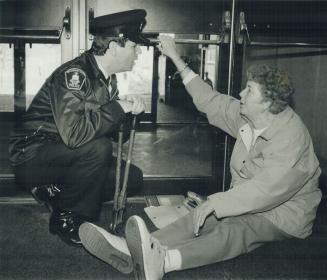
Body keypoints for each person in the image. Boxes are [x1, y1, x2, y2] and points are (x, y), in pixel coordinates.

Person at [78, 35, 322, 279]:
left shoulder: (291, 138)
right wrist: (174, 57)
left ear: (267, 103)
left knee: (234, 229)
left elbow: (265, 191)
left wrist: (218, 202)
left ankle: (164, 263)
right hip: (247, 200)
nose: (241, 93)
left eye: (249, 90)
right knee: (203, 215)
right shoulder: (248, 116)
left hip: (283, 214)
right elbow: (210, 101)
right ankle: (134, 248)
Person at [8, 9, 150, 246]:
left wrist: (128, 111)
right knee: (99, 149)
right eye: (134, 47)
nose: (138, 53)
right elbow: (75, 135)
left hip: (62, 154)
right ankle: (67, 219)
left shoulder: (106, 78)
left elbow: (108, 131)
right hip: (31, 155)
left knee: (132, 179)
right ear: (115, 46)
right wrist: (117, 108)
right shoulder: (74, 75)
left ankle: (54, 191)